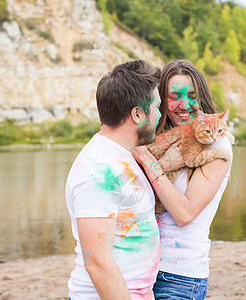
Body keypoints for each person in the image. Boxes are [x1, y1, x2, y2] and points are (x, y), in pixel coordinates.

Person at [133, 59, 233, 300]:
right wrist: (165, 163)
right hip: (137, 271)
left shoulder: (217, 146)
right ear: (160, 100)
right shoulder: (155, 139)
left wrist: (151, 163)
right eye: (174, 95)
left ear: (202, 99)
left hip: (178, 277)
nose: (183, 104)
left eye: (191, 95)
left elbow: (184, 214)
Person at [65, 60, 163, 299]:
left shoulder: (120, 156)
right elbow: (97, 262)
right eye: (157, 107)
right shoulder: (97, 169)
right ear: (137, 114)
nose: (161, 114)